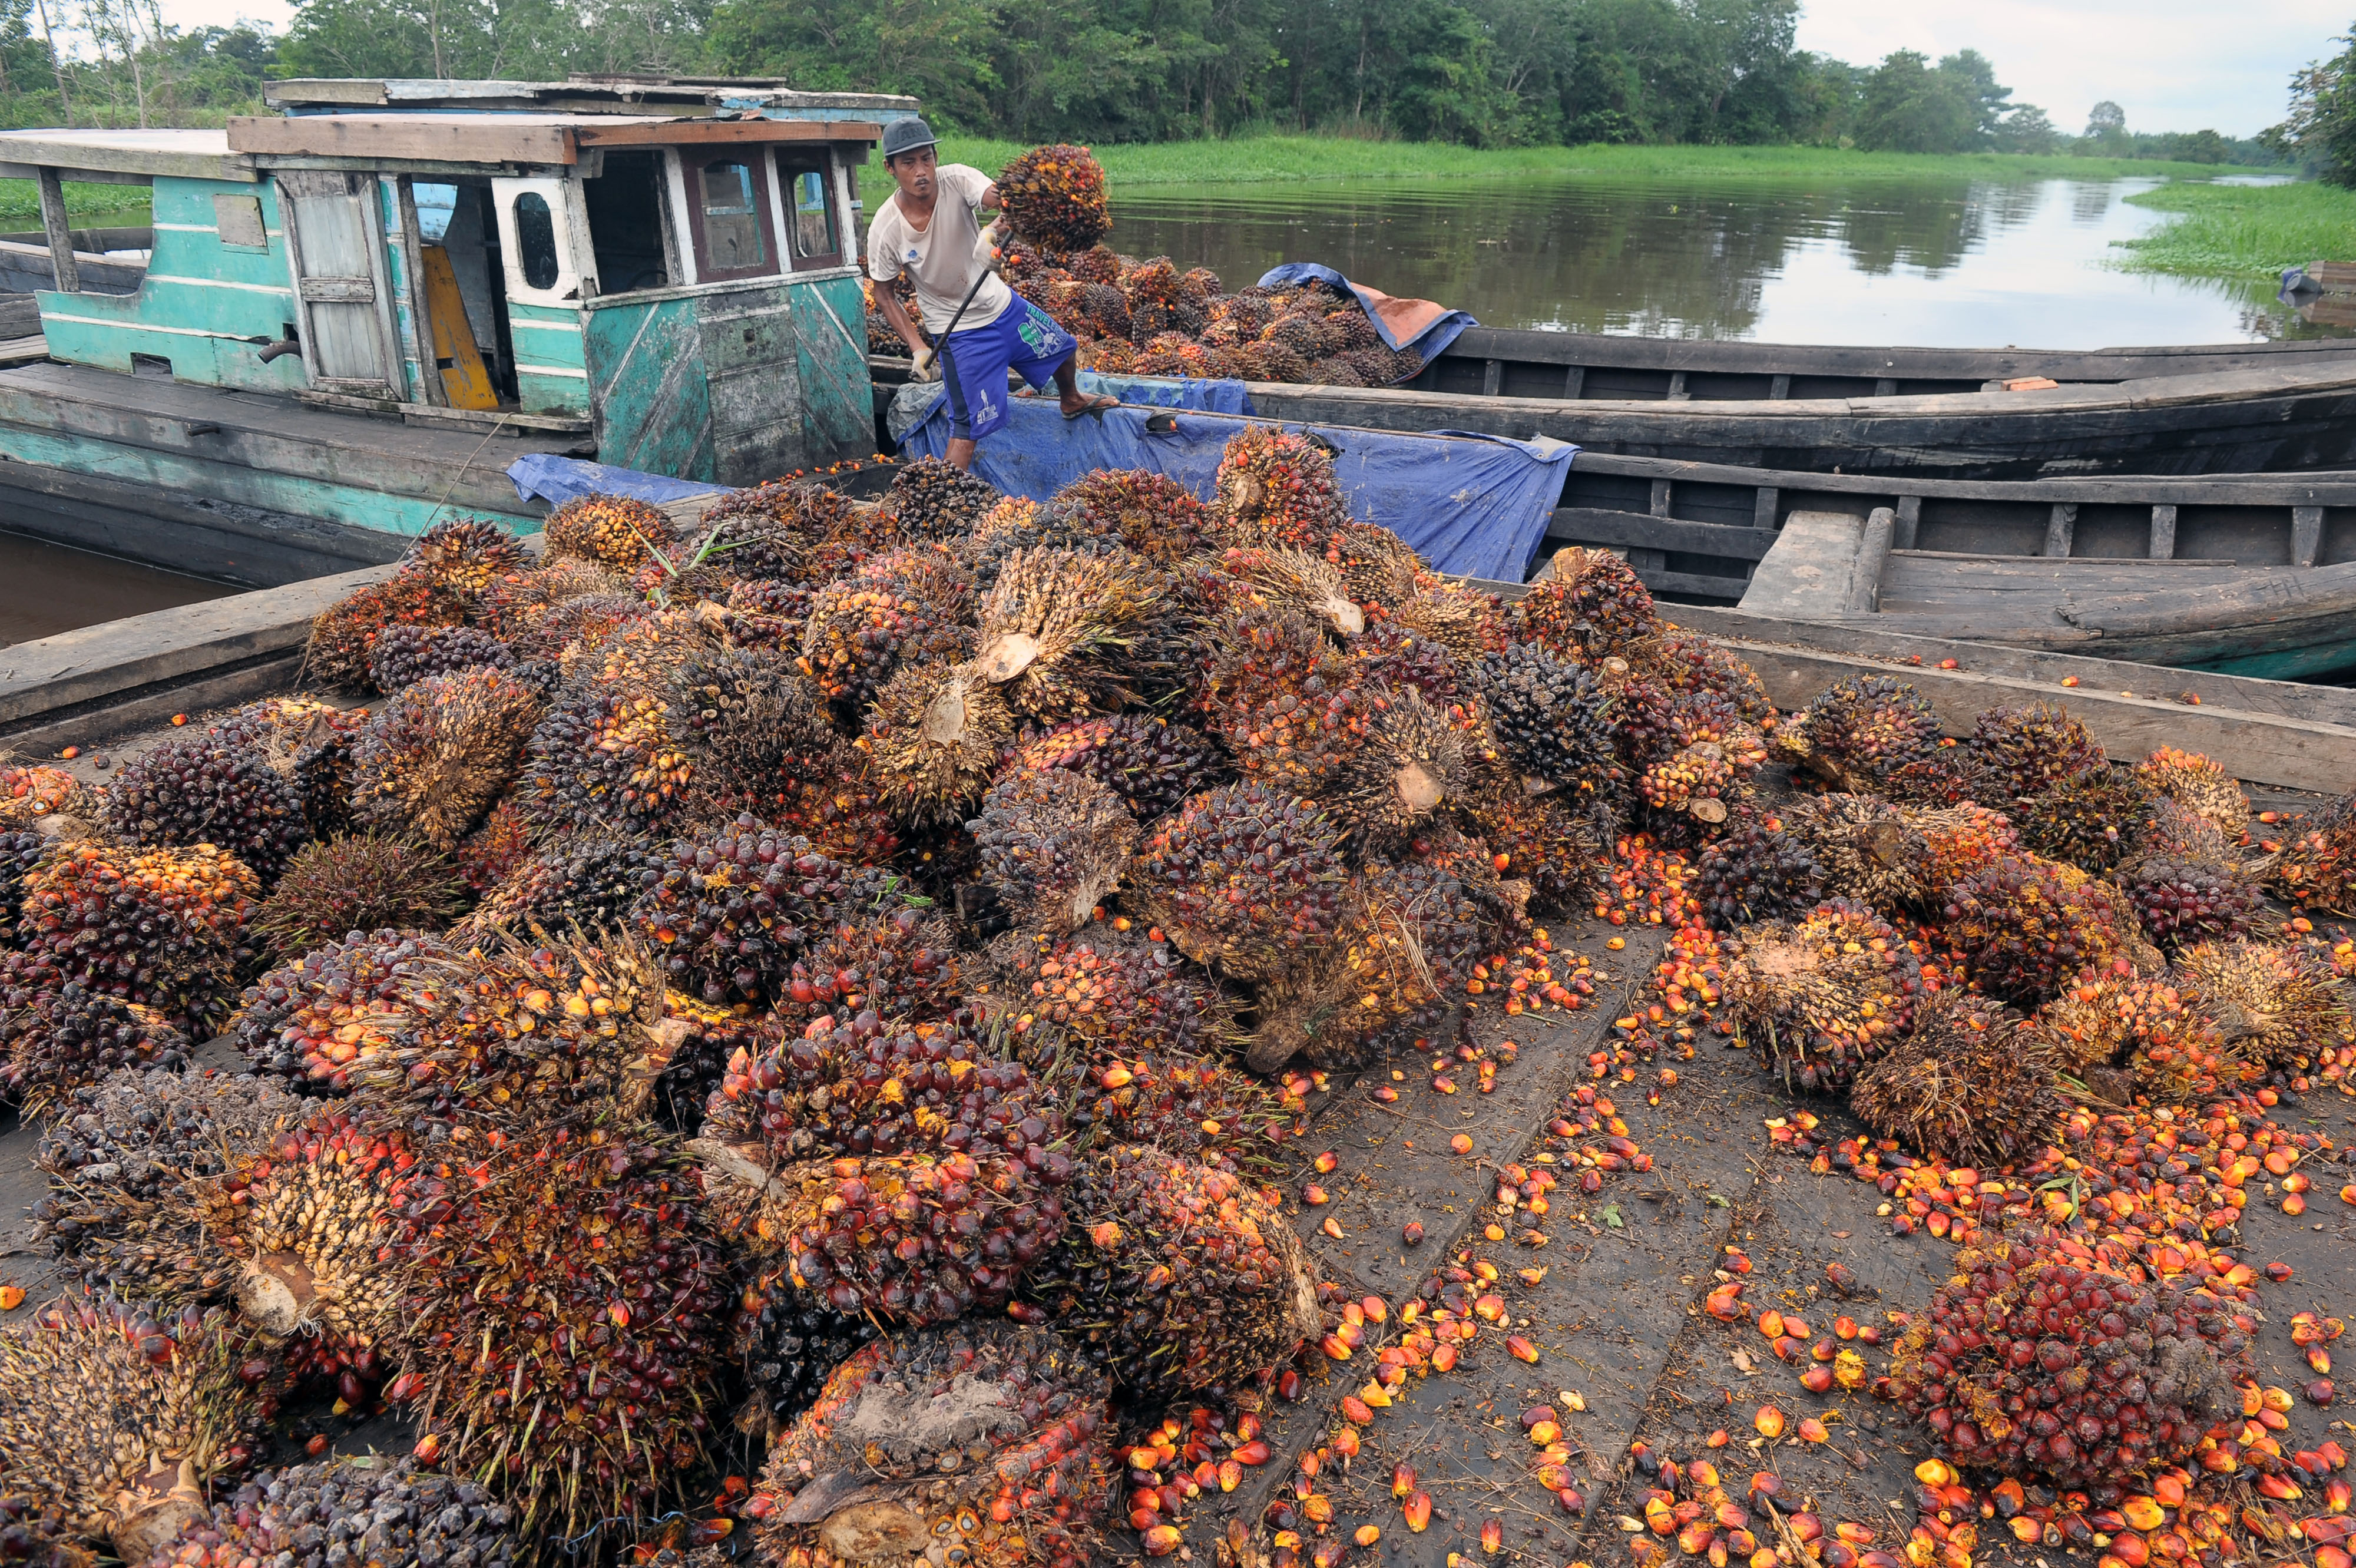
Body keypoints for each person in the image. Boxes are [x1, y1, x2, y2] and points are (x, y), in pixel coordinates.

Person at [865, 117, 1117, 471]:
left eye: (927, 159)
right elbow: (885, 294)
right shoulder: (886, 229)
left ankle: (1071, 400)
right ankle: (946, 502)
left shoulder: (957, 180)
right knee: (968, 429)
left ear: (936, 157)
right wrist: (918, 347)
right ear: (890, 168)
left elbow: (1001, 197)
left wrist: (993, 230)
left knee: (1062, 349)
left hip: (1001, 305)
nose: (921, 171)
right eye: (909, 163)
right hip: (958, 332)